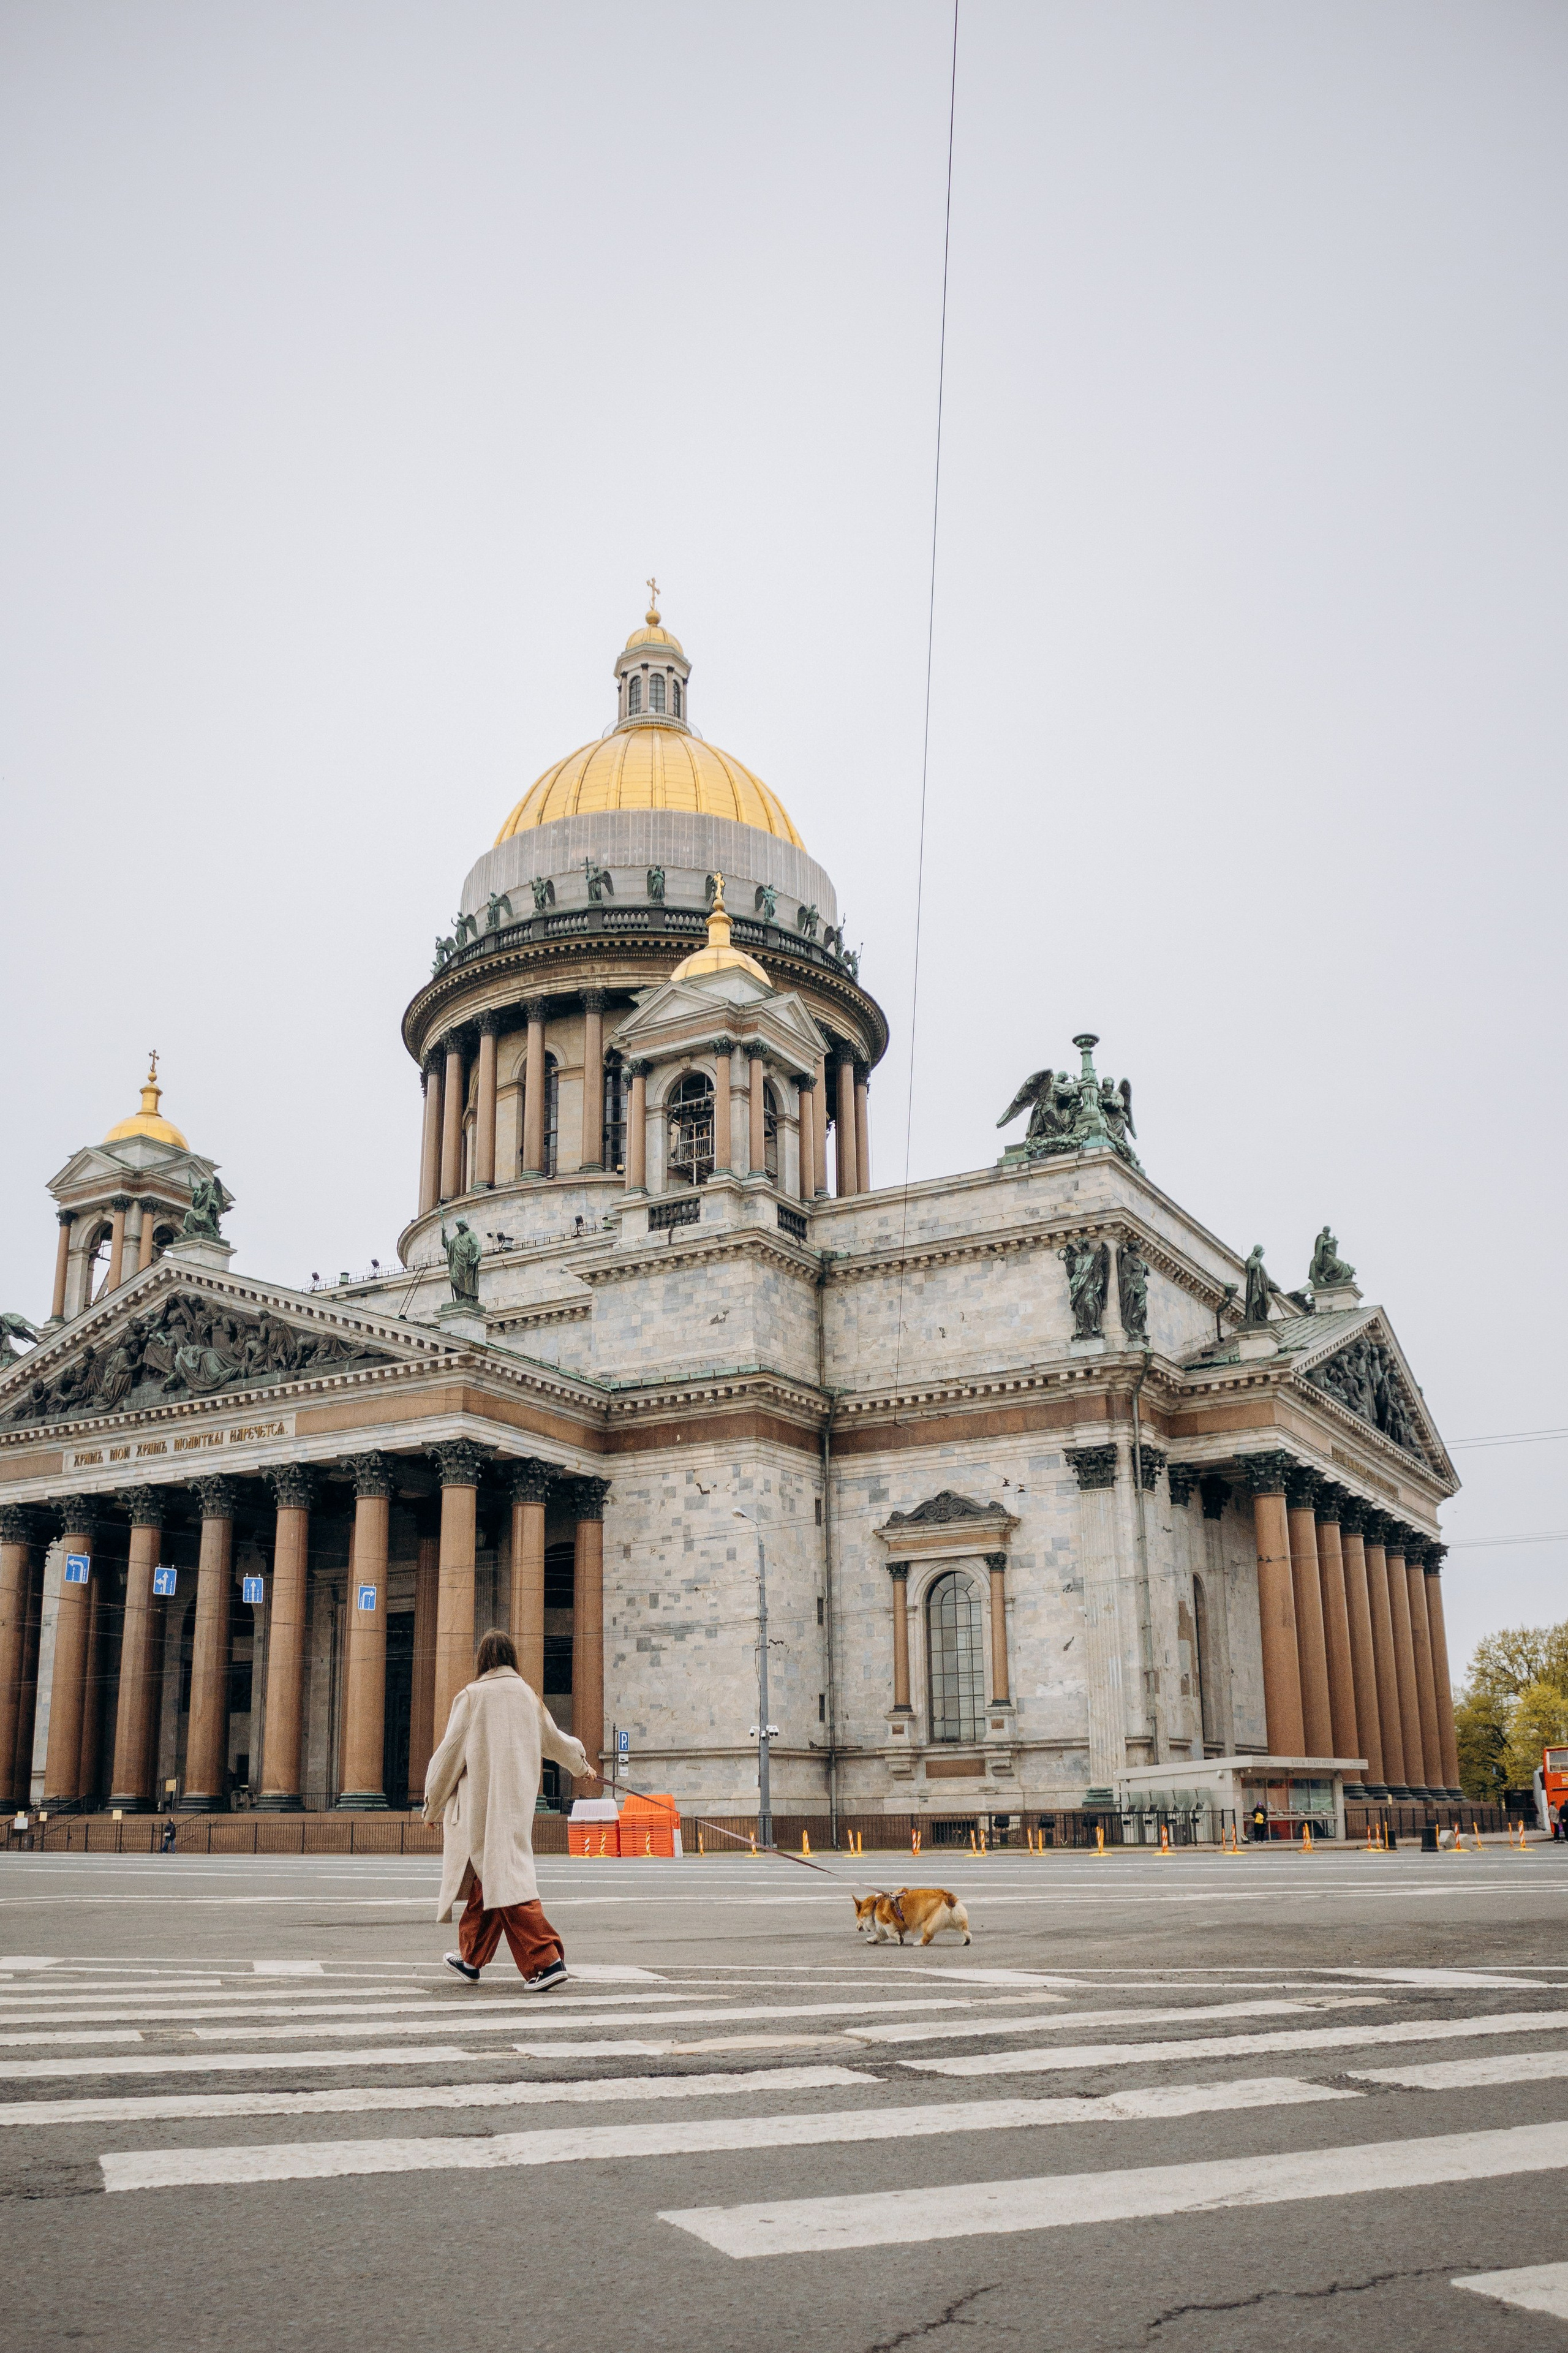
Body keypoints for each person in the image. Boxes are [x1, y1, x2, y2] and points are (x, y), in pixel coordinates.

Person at [423, 1627, 590, 1992]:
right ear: (512, 1658)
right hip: (518, 1803)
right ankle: (470, 1959)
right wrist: (583, 1767)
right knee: (493, 1874)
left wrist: (432, 1806)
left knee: (505, 1877)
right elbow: (557, 1742)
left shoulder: (472, 1697)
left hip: (482, 1804)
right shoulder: (529, 1697)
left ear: (483, 1660)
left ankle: (546, 1961)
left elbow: (448, 1758)